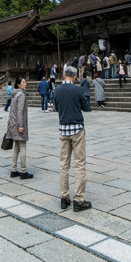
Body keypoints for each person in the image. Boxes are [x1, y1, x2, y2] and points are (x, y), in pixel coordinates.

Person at [51, 66, 91, 212]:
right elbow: (86, 107)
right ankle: (79, 200)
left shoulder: (57, 90)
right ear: (74, 77)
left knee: (64, 164)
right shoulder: (78, 90)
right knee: (79, 164)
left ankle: (64, 197)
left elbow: (56, 107)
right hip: (77, 129)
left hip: (63, 129)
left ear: (63, 75)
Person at [6, 77, 32, 179]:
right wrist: (21, 125)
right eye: (23, 82)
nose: (25, 84)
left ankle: (13, 169)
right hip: (19, 124)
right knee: (22, 146)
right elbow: (20, 111)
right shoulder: (21, 95)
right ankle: (23, 171)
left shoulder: (14, 94)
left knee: (16, 146)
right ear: (18, 84)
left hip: (12, 123)